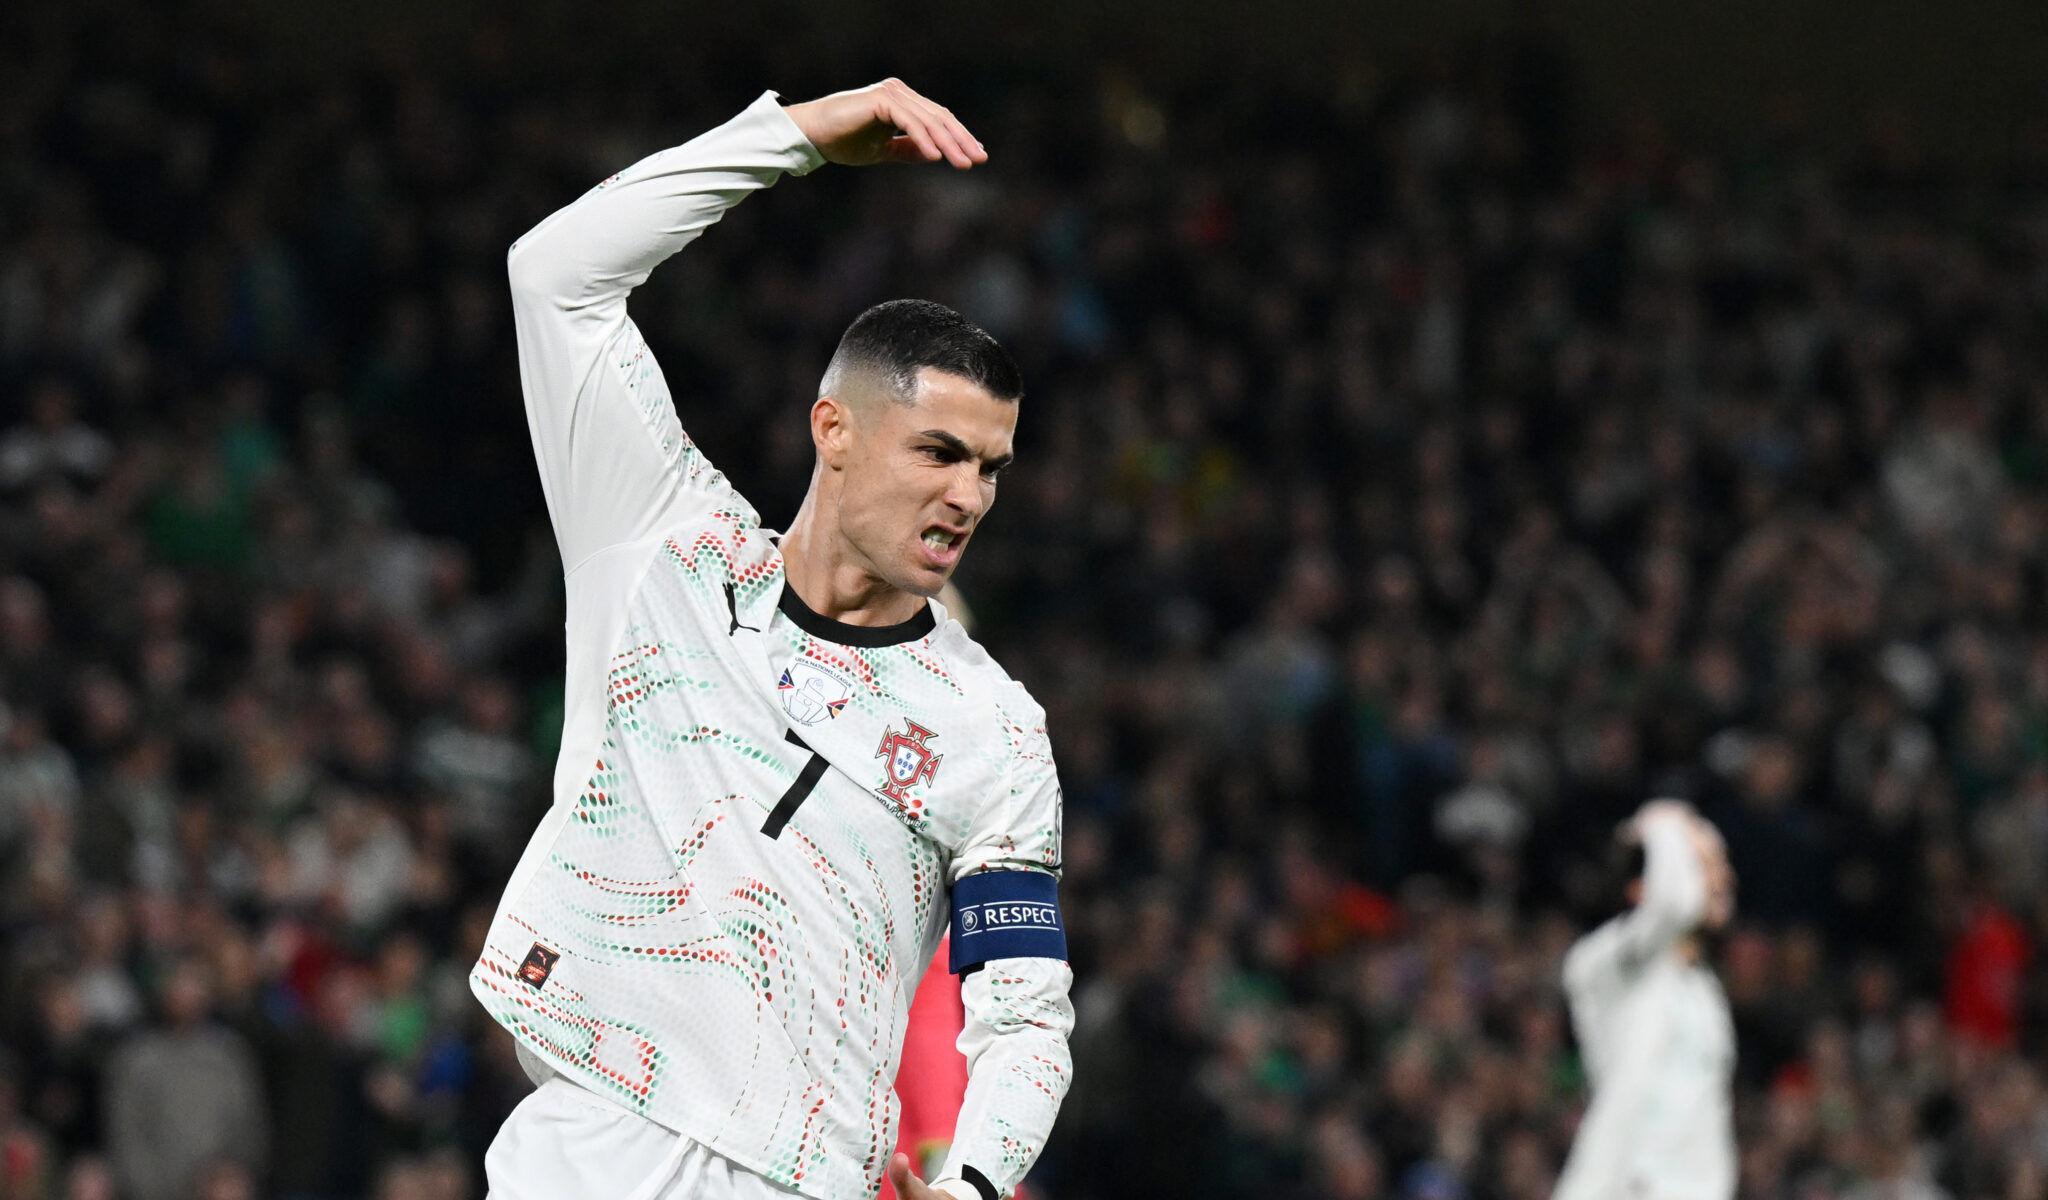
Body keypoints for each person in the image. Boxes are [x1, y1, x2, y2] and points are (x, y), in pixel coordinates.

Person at [471, 79, 1072, 1200]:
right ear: (832, 429)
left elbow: (1025, 1018)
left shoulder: (991, 732)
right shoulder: (659, 546)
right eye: (937, 452)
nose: (968, 495)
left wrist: (973, 1186)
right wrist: (787, 140)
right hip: (587, 1143)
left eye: (990, 467)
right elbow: (553, 278)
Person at [1554, 800, 1737, 1200]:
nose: (1724, 877)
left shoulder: (1702, 989)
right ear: (1642, 887)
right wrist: (1663, 826)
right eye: (1704, 864)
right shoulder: (1603, 966)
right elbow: (1674, 904)